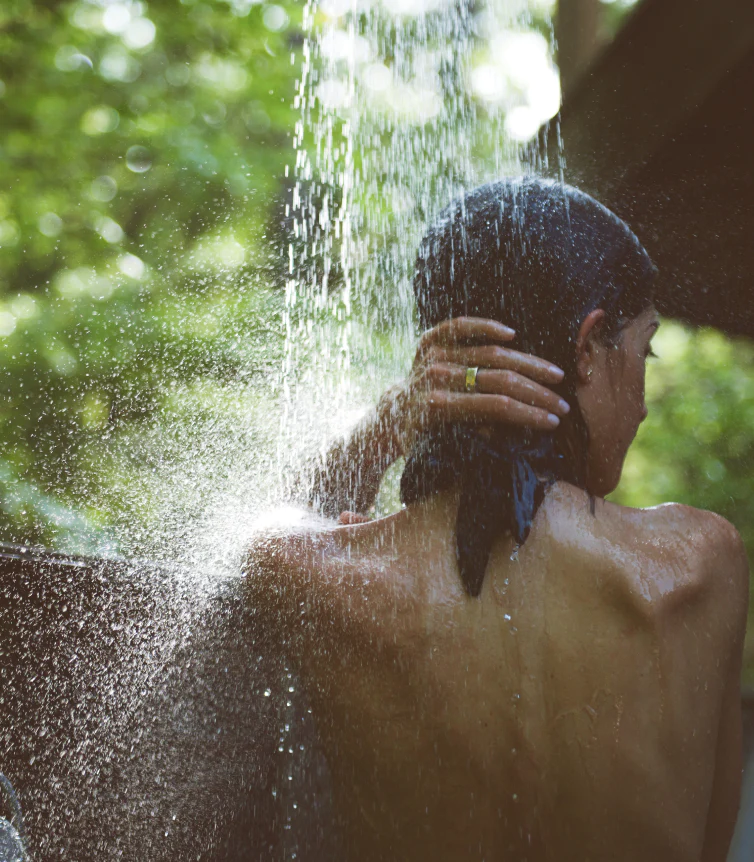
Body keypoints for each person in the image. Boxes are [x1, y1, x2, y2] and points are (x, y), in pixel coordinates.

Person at [246, 178, 748, 861]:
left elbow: (273, 520)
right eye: (644, 349)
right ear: (588, 346)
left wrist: (391, 422)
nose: (645, 403)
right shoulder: (699, 563)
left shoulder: (324, 575)